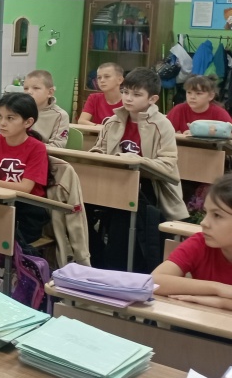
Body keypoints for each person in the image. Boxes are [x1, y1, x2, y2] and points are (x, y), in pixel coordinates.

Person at [89, 67, 187, 271]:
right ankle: (94, 262)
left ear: (152, 99)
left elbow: (168, 166)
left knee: (122, 221)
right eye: (125, 92)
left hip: (149, 188)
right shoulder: (113, 121)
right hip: (113, 184)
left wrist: (135, 161)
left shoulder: (162, 125)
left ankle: (117, 268)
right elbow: (99, 149)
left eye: (136, 94)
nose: (128, 98)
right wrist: (98, 156)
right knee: (78, 208)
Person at [0, 92, 50, 255]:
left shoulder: (37, 148)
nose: (2, 123)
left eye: (10, 118)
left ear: (28, 122)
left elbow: (26, 188)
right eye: (0, 116)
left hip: (27, 210)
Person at [152, 174, 232, 308]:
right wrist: (218, 288)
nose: (204, 222)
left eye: (217, 215)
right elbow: (154, 281)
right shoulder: (200, 243)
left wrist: (221, 302)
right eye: (206, 212)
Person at [167, 74, 232, 133]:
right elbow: (165, 132)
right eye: (189, 92)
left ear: (211, 96)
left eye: (198, 93)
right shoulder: (179, 109)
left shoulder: (219, 113)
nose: (192, 97)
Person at [24, 69, 70, 148]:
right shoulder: (19, 111)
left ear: (50, 92)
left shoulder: (60, 115)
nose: (29, 92)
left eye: (36, 88)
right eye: (26, 88)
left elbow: (57, 145)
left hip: (44, 154)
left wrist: (30, 147)